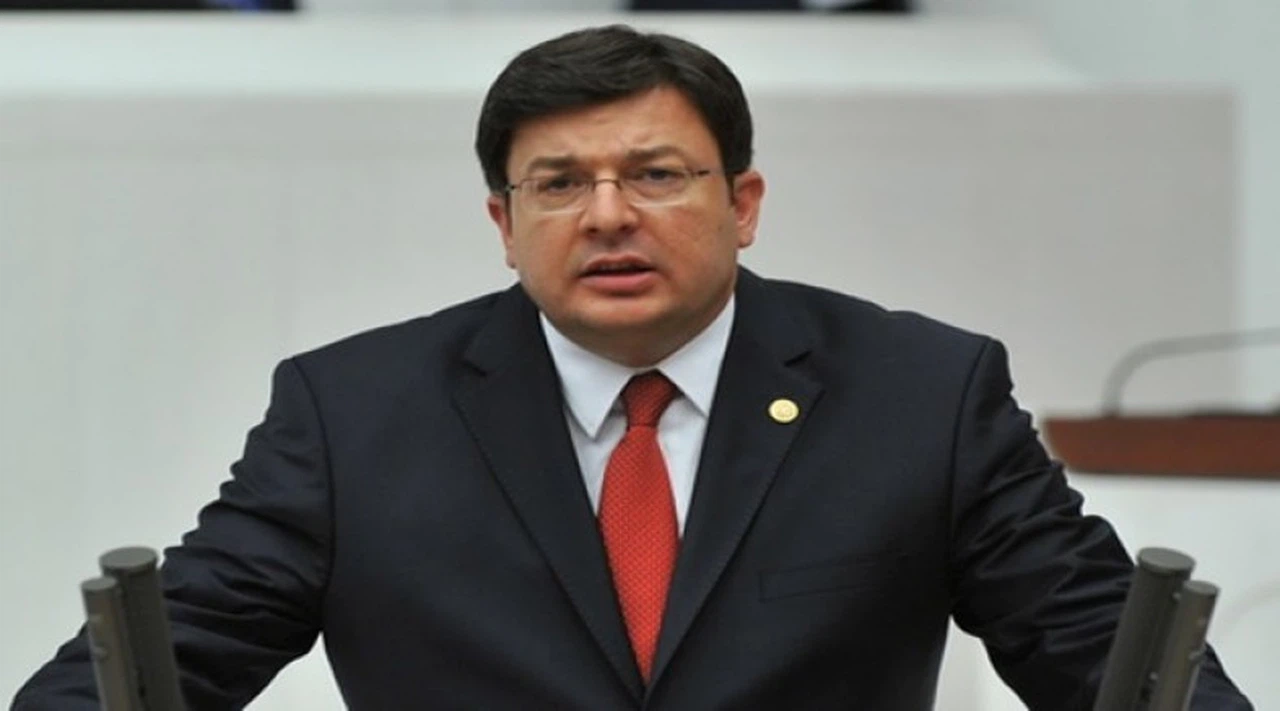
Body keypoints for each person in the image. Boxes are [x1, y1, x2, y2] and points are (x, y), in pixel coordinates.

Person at [12, 24, 1252, 710]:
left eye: (655, 175)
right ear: (503, 224)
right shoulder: (352, 413)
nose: (608, 215)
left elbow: (1104, 651)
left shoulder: (918, 396)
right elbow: (176, 649)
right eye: (558, 185)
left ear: (742, 203)